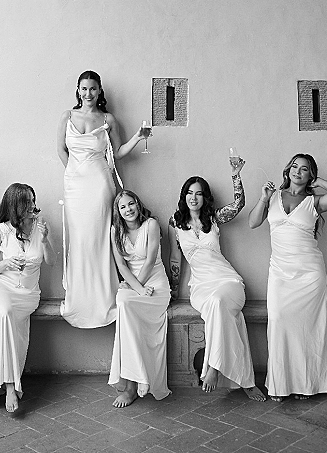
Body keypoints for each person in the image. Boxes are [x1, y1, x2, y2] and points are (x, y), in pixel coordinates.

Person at [248, 154, 327, 401]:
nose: (298, 172)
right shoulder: (272, 197)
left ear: (310, 175)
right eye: (294, 166)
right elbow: (252, 222)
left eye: (305, 169)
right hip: (280, 272)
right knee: (280, 322)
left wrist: (319, 180)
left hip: (309, 273)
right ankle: (281, 384)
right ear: (287, 170)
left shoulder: (314, 201)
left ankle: (306, 384)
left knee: (307, 329)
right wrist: (262, 198)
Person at [169, 158, 265, 400]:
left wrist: (236, 174)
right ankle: (245, 381)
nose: (194, 198)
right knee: (215, 306)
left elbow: (239, 204)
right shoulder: (175, 223)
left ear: (205, 198)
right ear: (184, 196)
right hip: (200, 287)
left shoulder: (213, 219)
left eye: (199, 194)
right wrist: (172, 291)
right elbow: (174, 259)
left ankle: (212, 367)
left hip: (228, 282)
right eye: (190, 193)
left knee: (218, 304)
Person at [57, 70, 146, 328]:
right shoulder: (67, 116)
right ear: (78, 90)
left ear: (99, 91)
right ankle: (79, 300)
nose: (88, 94)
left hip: (99, 184)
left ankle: (101, 300)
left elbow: (117, 153)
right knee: (80, 240)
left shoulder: (108, 119)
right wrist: (74, 172)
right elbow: (60, 151)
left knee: (98, 239)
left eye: (93, 89)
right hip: (74, 186)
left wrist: (138, 138)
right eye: (84, 89)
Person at [0, 183, 56, 420]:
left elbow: (51, 262)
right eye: (26, 202)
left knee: (8, 322)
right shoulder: (1, 230)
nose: (32, 206)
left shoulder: (41, 227)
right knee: (2, 316)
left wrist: (44, 241)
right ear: (15, 205)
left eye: (33, 200)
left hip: (27, 295)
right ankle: (9, 387)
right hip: (0, 287)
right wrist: (7, 264)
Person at [109, 190, 171, 407]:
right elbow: (122, 267)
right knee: (124, 304)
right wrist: (136, 288)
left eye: (131, 204)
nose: (128, 210)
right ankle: (136, 381)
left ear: (137, 203)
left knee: (125, 304)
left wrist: (140, 288)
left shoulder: (151, 225)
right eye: (123, 207)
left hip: (154, 283)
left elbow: (150, 260)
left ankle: (132, 386)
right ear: (118, 211)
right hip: (133, 284)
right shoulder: (115, 230)